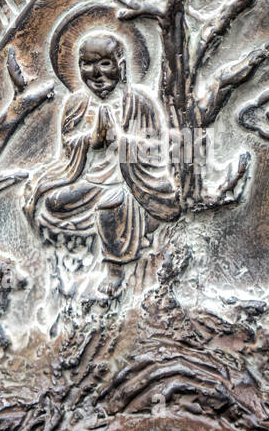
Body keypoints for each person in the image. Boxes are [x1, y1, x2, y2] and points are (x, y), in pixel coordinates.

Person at [24, 32, 179, 296]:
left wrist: (120, 141)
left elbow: (155, 149)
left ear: (121, 62)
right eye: (86, 64)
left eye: (104, 63)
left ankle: (114, 268)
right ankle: (59, 267)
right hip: (90, 182)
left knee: (110, 208)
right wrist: (90, 140)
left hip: (131, 184)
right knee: (50, 202)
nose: (95, 72)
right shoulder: (76, 103)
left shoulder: (138, 102)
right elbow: (68, 147)